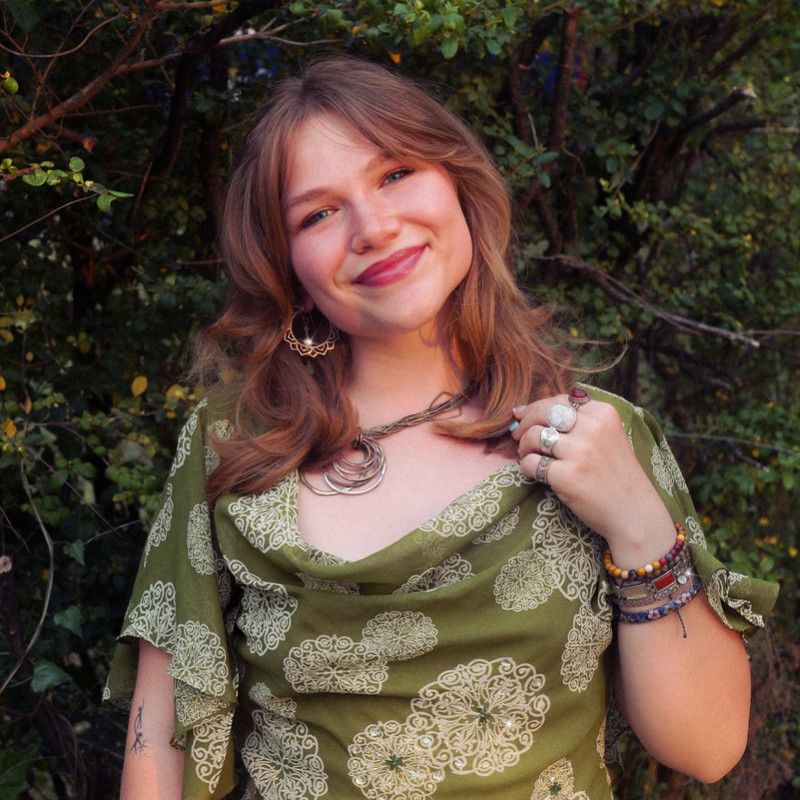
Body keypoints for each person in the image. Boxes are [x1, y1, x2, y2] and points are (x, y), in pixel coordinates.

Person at [105, 57, 778, 800]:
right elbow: (159, 743)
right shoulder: (231, 446)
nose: (375, 226)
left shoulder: (596, 435)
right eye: (318, 213)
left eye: (395, 173)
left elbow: (709, 747)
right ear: (289, 266)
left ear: (460, 184)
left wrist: (639, 526)